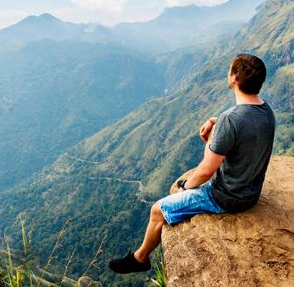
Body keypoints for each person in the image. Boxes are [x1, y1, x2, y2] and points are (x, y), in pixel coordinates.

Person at [109, 53, 276, 274]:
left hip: (226, 197)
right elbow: (244, 134)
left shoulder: (231, 119)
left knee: (157, 210)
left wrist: (186, 185)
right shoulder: (266, 112)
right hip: (251, 193)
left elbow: (207, 170)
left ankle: (140, 259)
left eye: (230, 71)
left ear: (234, 78)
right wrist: (218, 124)